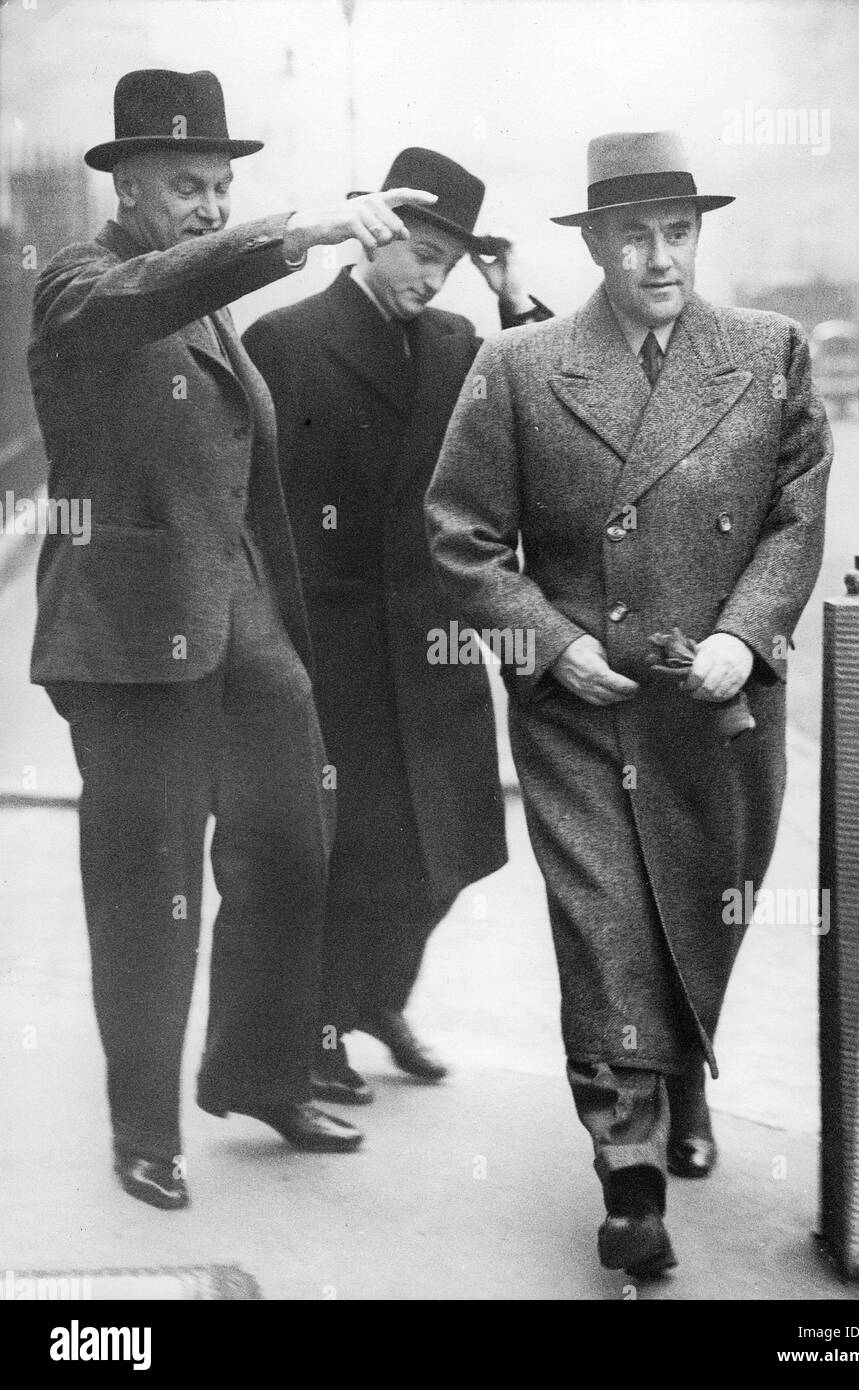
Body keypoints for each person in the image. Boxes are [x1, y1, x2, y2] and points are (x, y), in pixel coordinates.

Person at [28, 67, 438, 1209]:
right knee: (147, 888)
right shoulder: (83, 283)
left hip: (241, 623)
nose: (209, 205)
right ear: (130, 188)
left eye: (222, 186)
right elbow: (141, 296)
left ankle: (256, 1069)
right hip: (127, 636)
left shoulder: (196, 296)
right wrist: (292, 228)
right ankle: (143, 1130)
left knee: (293, 848)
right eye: (188, 186)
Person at [425, 131, 832, 1278]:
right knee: (603, 928)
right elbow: (458, 535)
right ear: (594, 243)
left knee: (702, 913)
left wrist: (740, 638)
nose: (659, 256)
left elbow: (794, 518)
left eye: (678, 231)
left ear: (697, 234)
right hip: (582, 707)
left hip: (713, 708)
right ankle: (629, 1171)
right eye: (633, 235)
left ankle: (682, 1073)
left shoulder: (767, 352)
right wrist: (549, 647)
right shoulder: (518, 366)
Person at [243, 148, 550, 1103]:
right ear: (371, 230)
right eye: (420, 252)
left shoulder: (460, 341)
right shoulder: (287, 340)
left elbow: (549, 409)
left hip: (434, 644)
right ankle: (323, 1028)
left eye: (449, 263)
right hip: (331, 649)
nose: (431, 276)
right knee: (355, 855)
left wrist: (512, 296)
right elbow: (256, 506)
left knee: (446, 851)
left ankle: (376, 998)